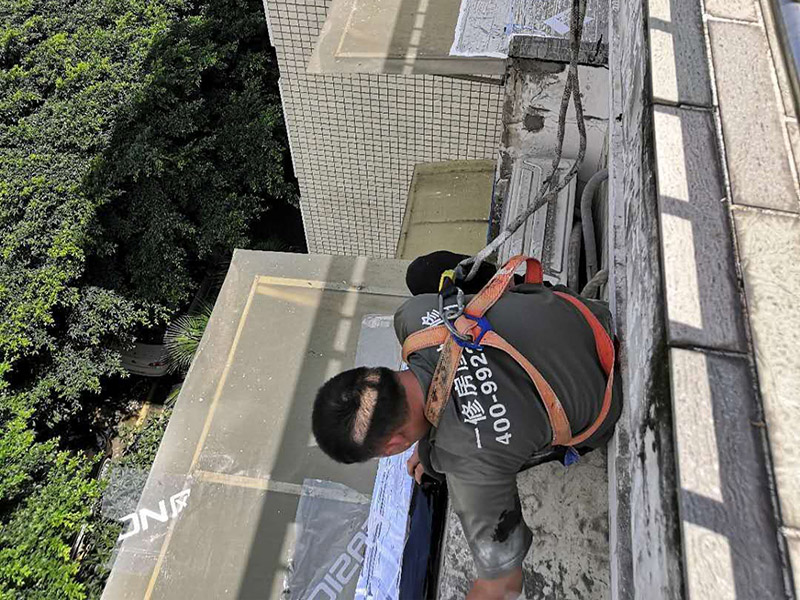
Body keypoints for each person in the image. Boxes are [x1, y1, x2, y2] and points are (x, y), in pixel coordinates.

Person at [312, 251, 622, 600]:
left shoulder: (467, 465)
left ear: (394, 445)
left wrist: (435, 455)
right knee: (425, 273)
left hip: (605, 392)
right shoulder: (412, 318)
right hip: (584, 315)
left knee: (450, 463)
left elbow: (503, 584)